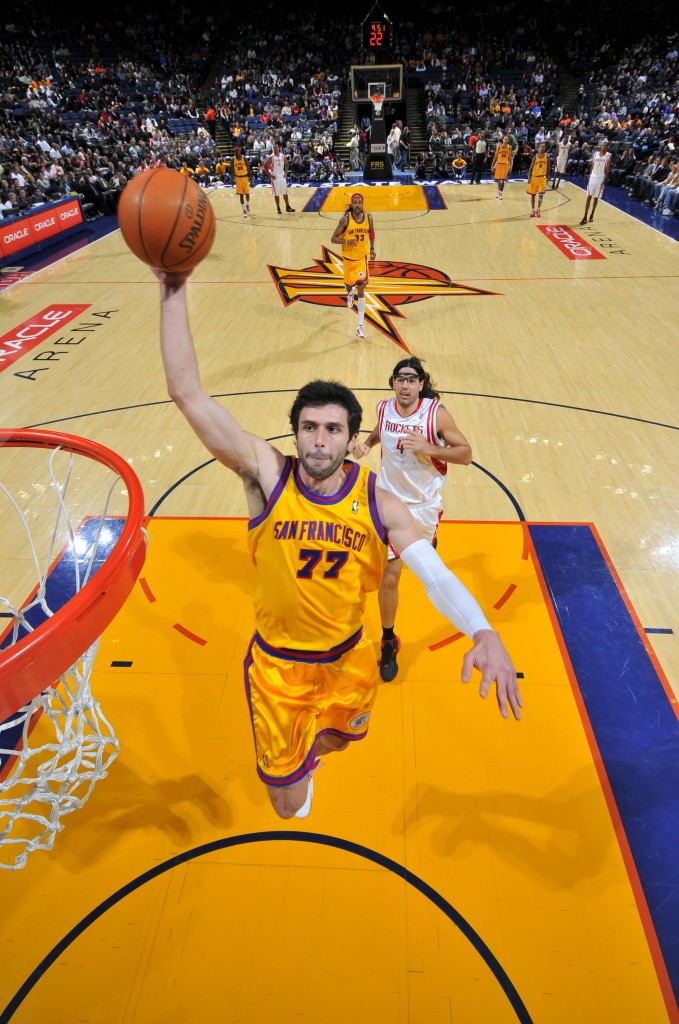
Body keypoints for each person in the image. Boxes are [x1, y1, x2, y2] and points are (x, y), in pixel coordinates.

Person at [156, 272, 522, 819]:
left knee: (337, 741)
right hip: (279, 667)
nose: (319, 439)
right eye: (308, 427)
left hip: (349, 661)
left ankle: (316, 749)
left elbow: (436, 573)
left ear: (353, 440)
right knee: (285, 803)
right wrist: (173, 285)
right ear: (295, 433)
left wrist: (483, 628)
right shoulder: (266, 476)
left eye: (332, 429)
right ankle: (299, 765)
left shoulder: (382, 504)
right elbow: (187, 393)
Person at [353, 357, 473, 682]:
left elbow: (465, 454)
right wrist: (366, 443)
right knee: (390, 576)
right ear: (393, 383)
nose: (405, 385)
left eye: (412, 379)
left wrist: (430, 447)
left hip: (424, 506)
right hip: (391, 504)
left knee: (424, 558)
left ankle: (426, 540)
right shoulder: (384, 409)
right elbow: (382, 429)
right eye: (400, 379)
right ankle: (389, 639)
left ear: (421, 384)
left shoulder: (435, 414)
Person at [330, 192, 375, 340]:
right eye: (354, 203)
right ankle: (349, 293)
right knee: (349, 286)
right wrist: (346, 242)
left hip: (361, 259)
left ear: (362, 204)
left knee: (361, 287)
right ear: (352, 204)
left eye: (359, 202)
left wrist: (373, 248)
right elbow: (333, 239)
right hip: (348, 260)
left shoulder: (369, 218)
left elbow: (372, 232)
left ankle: (360, 326)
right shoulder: (345, 220)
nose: (357, 205)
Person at [580, 141, 612, 225]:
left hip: (601, 178)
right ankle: (585, 216)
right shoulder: (595, 154)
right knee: (589, 196)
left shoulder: (609, 155)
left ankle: (592, 215)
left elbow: (607, 169)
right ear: (601, 146)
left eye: (605, 146)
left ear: (607, 147)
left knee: (596, 198)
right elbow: (592, 165)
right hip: (593, 177)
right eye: (603, 146)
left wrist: (604, 180)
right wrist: (590, 174)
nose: (604, 147)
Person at [262, 141, 295, 214]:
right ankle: (278, 208)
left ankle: (287, 206)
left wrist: (286, 173)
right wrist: (270, 175)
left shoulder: (282, 156)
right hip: (275, 178)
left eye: (276, 147)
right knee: (276, 194)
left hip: (282, 177)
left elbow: (287, 164)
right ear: (273, 149)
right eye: (274, 148)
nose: (275, 149)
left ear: (279, 148)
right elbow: (265, 166)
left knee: (285, 193)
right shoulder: (271, 157)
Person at [526, 142, 549, 218]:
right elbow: (531, 168)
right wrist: (529, 177)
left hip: (542, 178)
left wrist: (548, 177)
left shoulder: (547, 157)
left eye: (543, 147)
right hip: (534, 178)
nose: (542, 148)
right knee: (533, 195)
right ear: (538, 148)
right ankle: (533, 210)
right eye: (541, 147)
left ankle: (538, 210)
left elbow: (548, 168)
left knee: (541, 195)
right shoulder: (535, 157)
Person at [230, 145, 253, 218]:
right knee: (241, 195)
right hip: (238, 178)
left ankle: (247, 205)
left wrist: (251, 179)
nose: (237, 152)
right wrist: (232, 179)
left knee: (247, 194)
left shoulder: (244, 158)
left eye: (238, 150)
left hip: (245, 178)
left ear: (240, 151)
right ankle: (244, 210)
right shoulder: (233, 160)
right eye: (235, 151)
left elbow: (249, 169)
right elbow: (232, 170)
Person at [491, 135, 513, 200]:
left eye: (507, 139)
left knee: (502, 179)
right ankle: (499, 192)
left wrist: (511, 166)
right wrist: (492, 165)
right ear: (502, 140)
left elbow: (510, 158)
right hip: (499, 164)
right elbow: (495, 157)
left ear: (508, 140)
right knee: (498, 179)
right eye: (505, 139)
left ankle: (501, 193)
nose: (506, 140)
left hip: (505, 164)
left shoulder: (509, 147)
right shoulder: (499, 147)